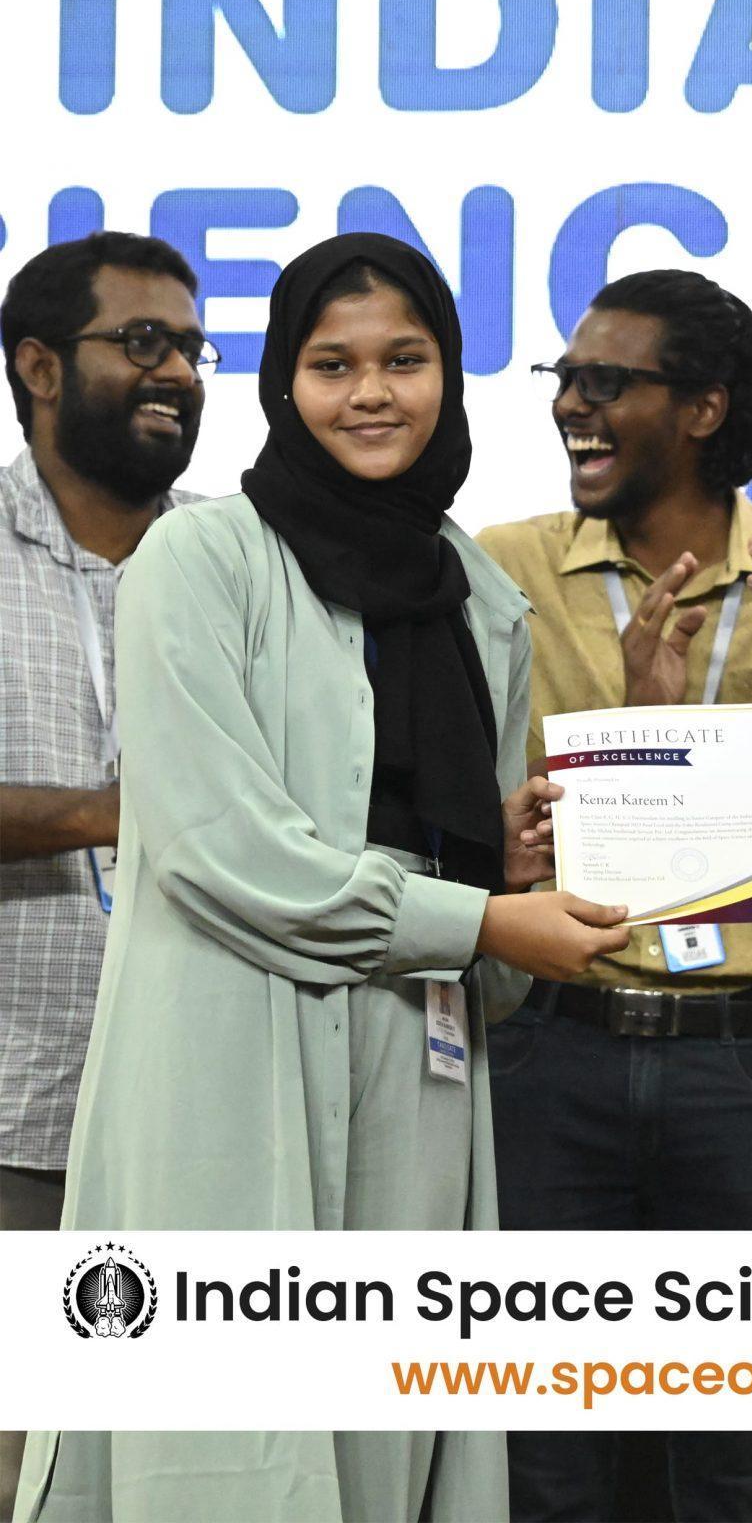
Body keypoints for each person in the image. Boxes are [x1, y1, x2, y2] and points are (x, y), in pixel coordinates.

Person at [14, 234, 630, 1523]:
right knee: (224, 1443)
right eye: (331, 365)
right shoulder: (203, 560)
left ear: (448, 375)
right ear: (284, 385)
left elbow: (475, 888)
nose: (371, 394)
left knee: (387, 1437)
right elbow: (214, 846)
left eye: (405, 361)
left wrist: (511, 870)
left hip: (422, 1055)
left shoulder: (479, 597)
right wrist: (480, 916)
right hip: (228, 1048)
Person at [475, 267, 752, 1523]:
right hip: (554, 1055)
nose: (572, 405)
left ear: (705, 407)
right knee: (543, 1464)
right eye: (565, 379)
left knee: (745, 1468)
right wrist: (640, 732)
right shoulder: (501, 567)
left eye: (607, 382)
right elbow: (492, 832)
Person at [0, 231, 208, 1522]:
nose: (176, 371)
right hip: (17, 1115)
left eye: (189, 347)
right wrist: (109, 815)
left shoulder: (239, 560)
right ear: (37, 368)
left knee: (189, 1481)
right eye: (141, 342)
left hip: (206, 1116)